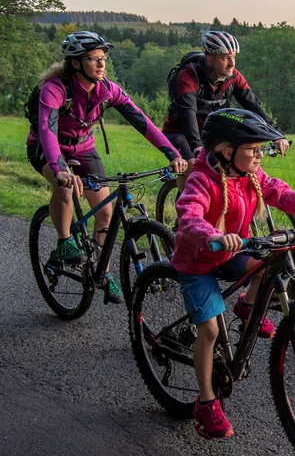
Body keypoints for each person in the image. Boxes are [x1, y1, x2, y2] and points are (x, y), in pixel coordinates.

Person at [170, 108, 295, 439]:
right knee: (208, 331)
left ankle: (247, 305)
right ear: (227, 152)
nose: (260, 156)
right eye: (254, 150)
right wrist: (212, 235)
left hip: (230, 252)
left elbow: (283, 194)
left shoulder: (251, 175)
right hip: (199, 259)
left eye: (261, 150)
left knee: (270, 263)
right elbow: (189, 214)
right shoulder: (201, 179)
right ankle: (206, 401)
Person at [25, 31, 187, 304]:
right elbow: (46, 130)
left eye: (103, 58)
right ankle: (65, 241)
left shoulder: (107, 89)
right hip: (47, 147)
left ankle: (104, 270)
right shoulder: (55, 89)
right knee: (65, 189)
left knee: (106, 212)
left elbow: (143, 122)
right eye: (94, 59)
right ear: (76, 63)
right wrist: (60, 168)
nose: (101, 64)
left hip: (84, 149)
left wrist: (172, 153)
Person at [162, 31, 289, 193]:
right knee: (194, 166)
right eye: (225, 58)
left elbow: (253, 105)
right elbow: (188, 114)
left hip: (211, 133)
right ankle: (185, 213)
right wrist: (197, 147)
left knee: (236, 161)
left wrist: (276, 134)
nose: (232, 63)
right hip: (180, 133)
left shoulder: (234, 77)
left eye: (234, 57)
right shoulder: (188, 75)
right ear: (210, 59)